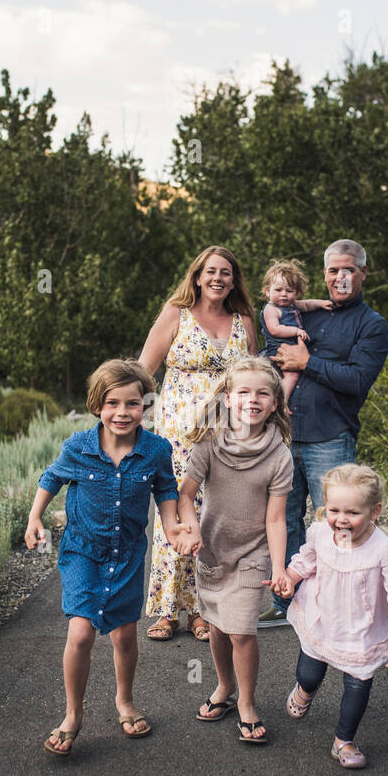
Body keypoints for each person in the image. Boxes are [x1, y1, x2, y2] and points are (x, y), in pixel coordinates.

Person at [25, 359, 190, 755]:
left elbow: (166, 489)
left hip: (129, 553)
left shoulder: (155, 449)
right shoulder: (78, 447)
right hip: (84, 551)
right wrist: (34, 517)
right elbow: (52, 477)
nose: (122, 412)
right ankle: (72, 713)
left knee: (124, 635)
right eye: (112, 403)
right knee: (81, 632)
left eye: (132, 404)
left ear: (144, 406)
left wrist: (171, 527)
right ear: (98, 405)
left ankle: (124, 700)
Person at [261, 239, 388, 628]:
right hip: (282, 436)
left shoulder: (372, 325)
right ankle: (287, 603)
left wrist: (308, 361)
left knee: (338, 525)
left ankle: (343, 608)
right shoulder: (304, 314)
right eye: (333, 270)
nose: (340, 277)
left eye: (348, 269)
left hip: (330, 438)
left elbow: (358, 380)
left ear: (363, 274)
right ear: (324, 275)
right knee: (283, 522)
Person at [138, 246, 257, 642]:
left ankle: (205, 609)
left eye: (226, 272)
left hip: (231, 434)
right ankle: (169, 608)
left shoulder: (244, 320)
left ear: (234, 280)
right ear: (197, 276)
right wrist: (125, 415)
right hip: (179, 435)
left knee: (216, 517)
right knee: (176, 510)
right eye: (211, 271)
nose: (218, 278)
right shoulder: (176, 314)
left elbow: (257, 374)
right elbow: (144, 370)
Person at [173, 357, 295, 743]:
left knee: (242, 630)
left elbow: (276, 520)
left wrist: (279, 567)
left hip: (253, 554)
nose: (252, 399)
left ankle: (246, 702)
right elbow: (185, 496)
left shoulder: (279, 456)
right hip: (212, 552)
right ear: (228, 398)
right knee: (217, 629)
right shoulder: (208, 444)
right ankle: (223, 688)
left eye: (262, 393)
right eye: (244, 392)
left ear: (275, 403)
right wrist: (190, 529)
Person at [277, 464, 388, 768]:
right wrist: (289, 578)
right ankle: (305, 690)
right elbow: (306, 561)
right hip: (321, 619)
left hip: (361, 631)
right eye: (334, 510)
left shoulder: (385, 551)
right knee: (309, 673)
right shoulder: (319, 534)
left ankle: (345, 740)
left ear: (374, 511)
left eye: (353, 512)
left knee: (358, 685)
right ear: (324, 507)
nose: (341, 519)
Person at [258, 259, 334, 415]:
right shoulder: (271, 309)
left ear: (297, 292)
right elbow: (275, 329)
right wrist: (295, 330)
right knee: (291, 375)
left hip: (292, 348)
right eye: (278, 290)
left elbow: (307, 304)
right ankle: (281, 403)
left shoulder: (292, 305)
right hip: (277, 348)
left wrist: (322, 304)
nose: (284, 295)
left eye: (289, 291)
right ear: (268, 291)